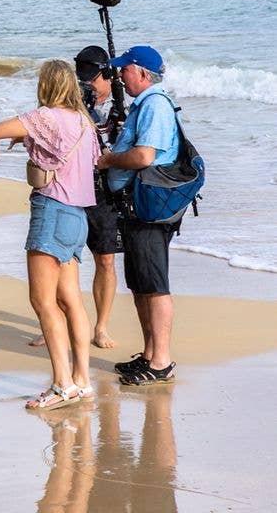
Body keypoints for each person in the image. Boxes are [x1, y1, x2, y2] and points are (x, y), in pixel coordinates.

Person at [0, 59, 100, 411]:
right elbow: (90, 161)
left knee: (43, 301)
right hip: (79, 216)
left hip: (51, 209)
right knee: (72, 301)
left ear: (47, 85)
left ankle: (61, 383)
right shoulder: (85, 122)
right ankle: (82, 380)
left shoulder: (45, 117)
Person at [95, 45, 180, 386]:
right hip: (136, 206)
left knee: (154, 285)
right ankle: (149, 354)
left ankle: (162, 361)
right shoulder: (144, 104)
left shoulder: (155, 105)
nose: (119, 75)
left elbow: (144, 156)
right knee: (142, 283)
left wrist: (108, 160)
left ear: (142, 73)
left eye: (124, 70)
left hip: (149, 209)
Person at [30, 45, 123, 349]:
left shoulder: (120, 108)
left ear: (107, 75)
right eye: (81, 77)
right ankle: (54, 323)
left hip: (105, 192)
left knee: (105, 259)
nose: (88, 84)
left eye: (93, 78)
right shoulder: (74, 103)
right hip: (72, 188)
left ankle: (101, 326)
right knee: (59, 260)